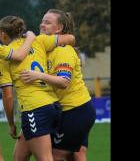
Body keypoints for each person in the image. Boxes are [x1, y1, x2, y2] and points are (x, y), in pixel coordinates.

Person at [21, 9, 96, 161]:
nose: (42, 25)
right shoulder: (45, 48)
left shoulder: (62, 51)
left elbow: (64, 82)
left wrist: (38, 75)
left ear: (59, 28)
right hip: (63, 111)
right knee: (76, 155)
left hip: (75, 111)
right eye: (42, 21)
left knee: (54, 157)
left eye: (47, 22)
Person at [0, 15, 75, 161]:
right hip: (53, 107)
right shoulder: (39, 41)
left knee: (45, 158)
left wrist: (11, 124)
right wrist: (31, 37)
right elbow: (70, 38)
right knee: (19, 157)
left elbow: (8, 96)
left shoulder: (4, 57)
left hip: (34, 109)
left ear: (3, 34)